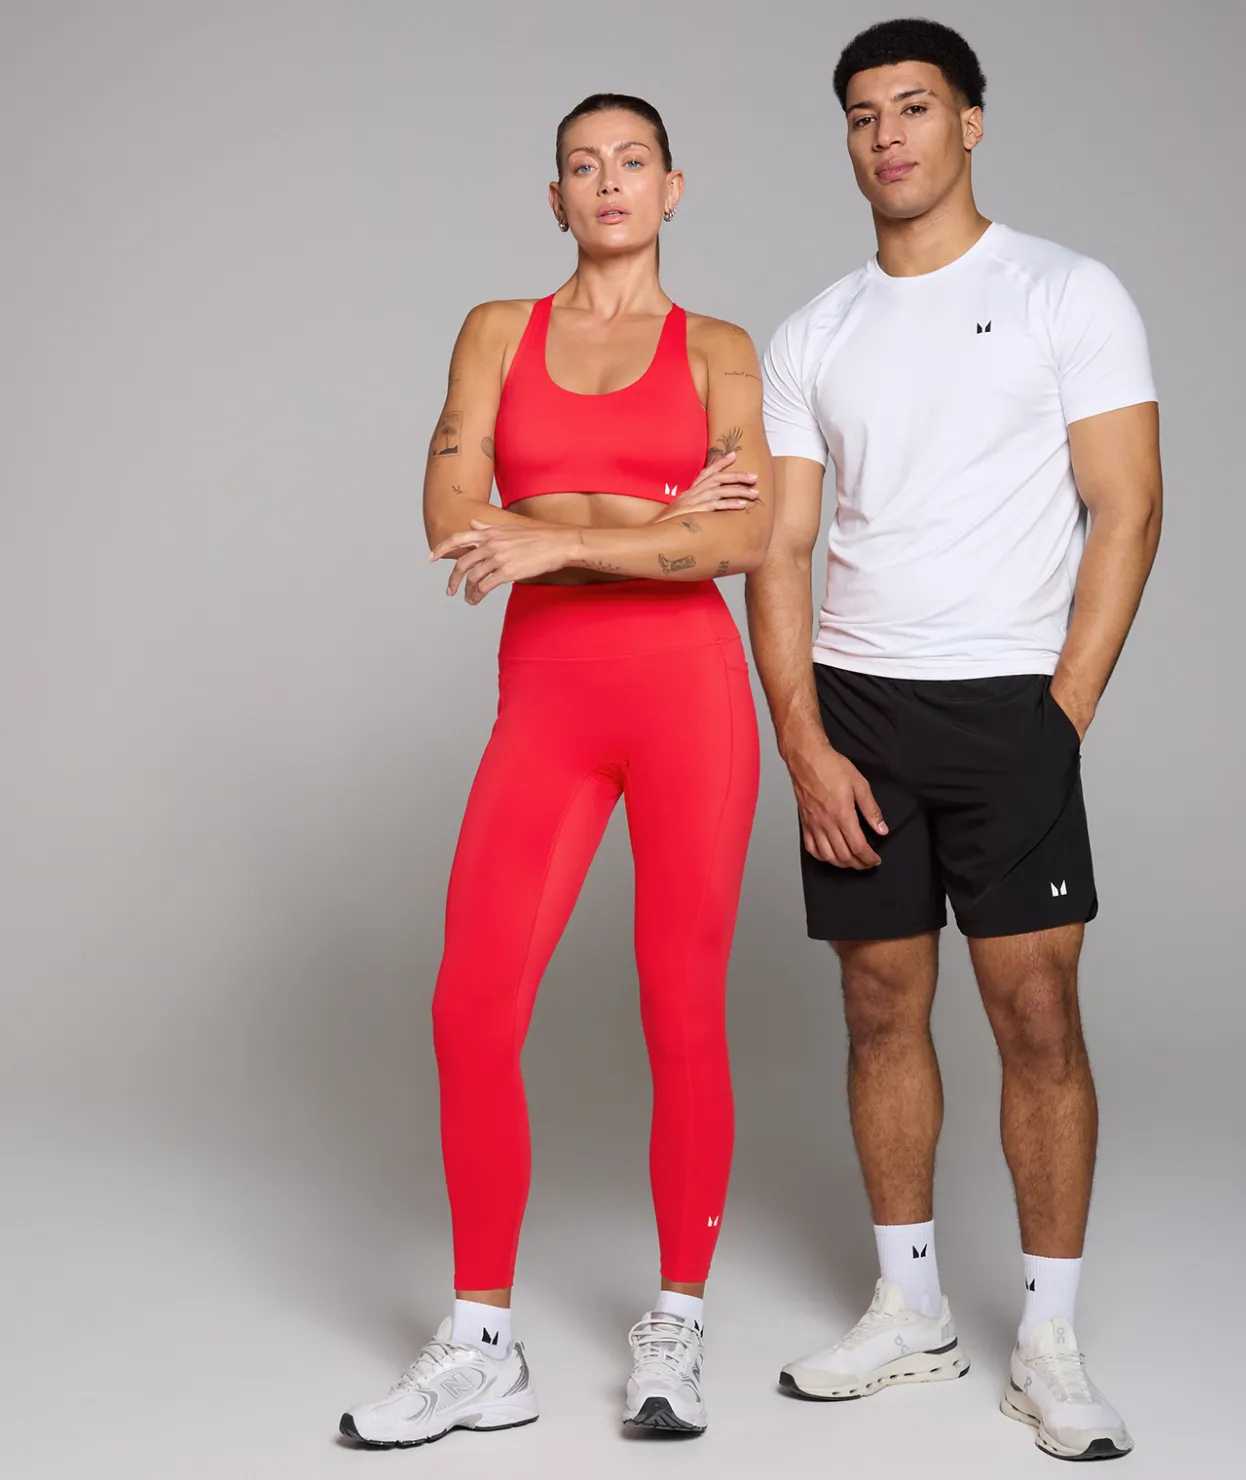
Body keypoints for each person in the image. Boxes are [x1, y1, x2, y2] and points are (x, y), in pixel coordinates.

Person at [748, 19, 1161, 1462]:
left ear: (970, 122)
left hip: (1010, 707)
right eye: (864, 115)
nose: (889, 137)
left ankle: (1049, 1338)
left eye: (915, 108)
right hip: (856, 708)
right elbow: (781, 548)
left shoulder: (1066, 291)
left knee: (1037, 1017)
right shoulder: (813, 332)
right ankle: (910, 1307)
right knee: (877, 1010)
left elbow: (1129, 505)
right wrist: (802, 741)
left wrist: (1065, 713)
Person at [340, 92, 772, 1447]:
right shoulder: (495, 332)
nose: (609, 182)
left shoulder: (719, 349)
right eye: (583, 165)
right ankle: (482, 1344)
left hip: (688, 696)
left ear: (673, 187)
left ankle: (677, 1323)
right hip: (548, 697)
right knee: (471, 1005)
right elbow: (446, 517)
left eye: (633, 162)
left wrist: (554, 537)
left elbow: (739, 545)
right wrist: (653, 520)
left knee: (679, 1004)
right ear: (555, 197)